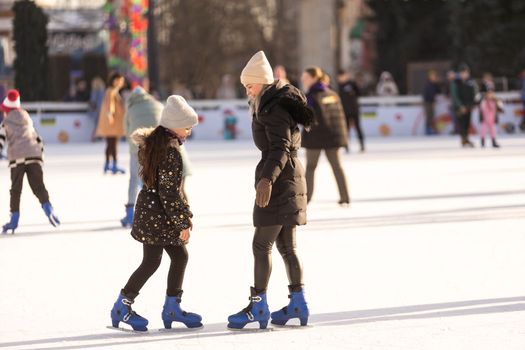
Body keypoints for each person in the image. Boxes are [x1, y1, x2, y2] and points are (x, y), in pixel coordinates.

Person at [227, 51, 313, 330]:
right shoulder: (272, 102)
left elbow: (280, 148)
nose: (246, 89)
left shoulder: (272, 108)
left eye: (249, 84)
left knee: (261, 244)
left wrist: (267, 179)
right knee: (287, 246)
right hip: (289, 176)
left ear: (262, 82)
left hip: (279, 179)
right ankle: (297, 303)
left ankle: (257, 306)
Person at [110, 95, 202, 332]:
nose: (189, 131)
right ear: (173, 125)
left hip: (153, 213)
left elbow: (167, 191)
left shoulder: (156, 145)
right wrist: (182, 221)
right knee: (153, 262)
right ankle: (123, 306)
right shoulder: (169, 152)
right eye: (187, 127)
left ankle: (171, 307)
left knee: (175, 258)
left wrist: (184, 213)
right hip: (158, 215)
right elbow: (169, 193)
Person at [0, 90, 60, 234]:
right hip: (34, 154)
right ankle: (48, 208)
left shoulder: (5, 122)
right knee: (38, 186)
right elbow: (36, 136)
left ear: (6, 110)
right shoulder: (26, 117)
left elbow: (1, 139)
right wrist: (41, 155)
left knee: (16, 190)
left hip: (17, 157)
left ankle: (14, 219)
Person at [301, 66, 350, 206]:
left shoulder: (311, 96)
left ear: (314, 78)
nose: (303, 80)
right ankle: (345, 197)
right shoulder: (332, 94)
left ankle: (306, 199)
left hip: (316, 138)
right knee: (337, 167)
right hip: (333, 138)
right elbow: (340, 119)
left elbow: (307, 117)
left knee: (310, 167)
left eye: (306, 78)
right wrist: (343, 138)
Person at [120, 86, 164, 227]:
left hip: (137, 147)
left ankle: (131, 213)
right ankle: (158, 212)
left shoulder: (130, 109)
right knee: (156, 179)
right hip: (157, 147)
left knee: (134, 178)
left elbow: (126, 131)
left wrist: (133, 146)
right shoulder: (157, 105)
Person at [96, 72, 127, 174]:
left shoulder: (113, 91)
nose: (120, 83)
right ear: (114, 80)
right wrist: (110, 115)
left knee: (110, 144)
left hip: (113, 122)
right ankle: (113, 164)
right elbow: (110, 105)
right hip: (112, 123)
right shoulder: (111, 91)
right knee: (112, 144)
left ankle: (108, 164)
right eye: (119, 80)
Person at [337, 69, 365, 152]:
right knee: (346, 129)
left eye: (341, 76)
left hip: (354, 110)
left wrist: (354, 90)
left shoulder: (352, 84)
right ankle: (346, 146)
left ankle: (362, 145)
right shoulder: (339, 86)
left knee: (358, 127)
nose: (340, 78)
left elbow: (359, 93)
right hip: (345, 111)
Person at [451, 64, 477, 147]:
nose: (464, 74)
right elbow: (454, 95)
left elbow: (475, 93)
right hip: (460, 107)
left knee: (467, 123)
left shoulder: (471, 82)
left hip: (469, 105)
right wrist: (460, 106)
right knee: (461, 123)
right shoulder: (455, 82)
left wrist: (473, 104)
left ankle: (466, 139)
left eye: (465, 73)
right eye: (462, 73)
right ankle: (463, 139)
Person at [422, 70, 441, 135]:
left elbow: (438, 91)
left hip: (431, 102)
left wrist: (437, 83)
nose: (433, 77)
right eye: (432, 76)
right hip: (428, 102)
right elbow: (428, 94)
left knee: (432, 116)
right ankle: (428, 130)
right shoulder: (428, 84)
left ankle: (431, 129)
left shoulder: (434, 84)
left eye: (434, 76)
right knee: (429, 116)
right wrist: (431, 100)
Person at [89, 76, 105, 141]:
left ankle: (96, 136)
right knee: (98, 124)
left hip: (97, 110)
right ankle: (97, 136)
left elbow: (93, 101)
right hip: (100, 110)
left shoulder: (95, 91)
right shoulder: (102, 91)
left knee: (97, 124)